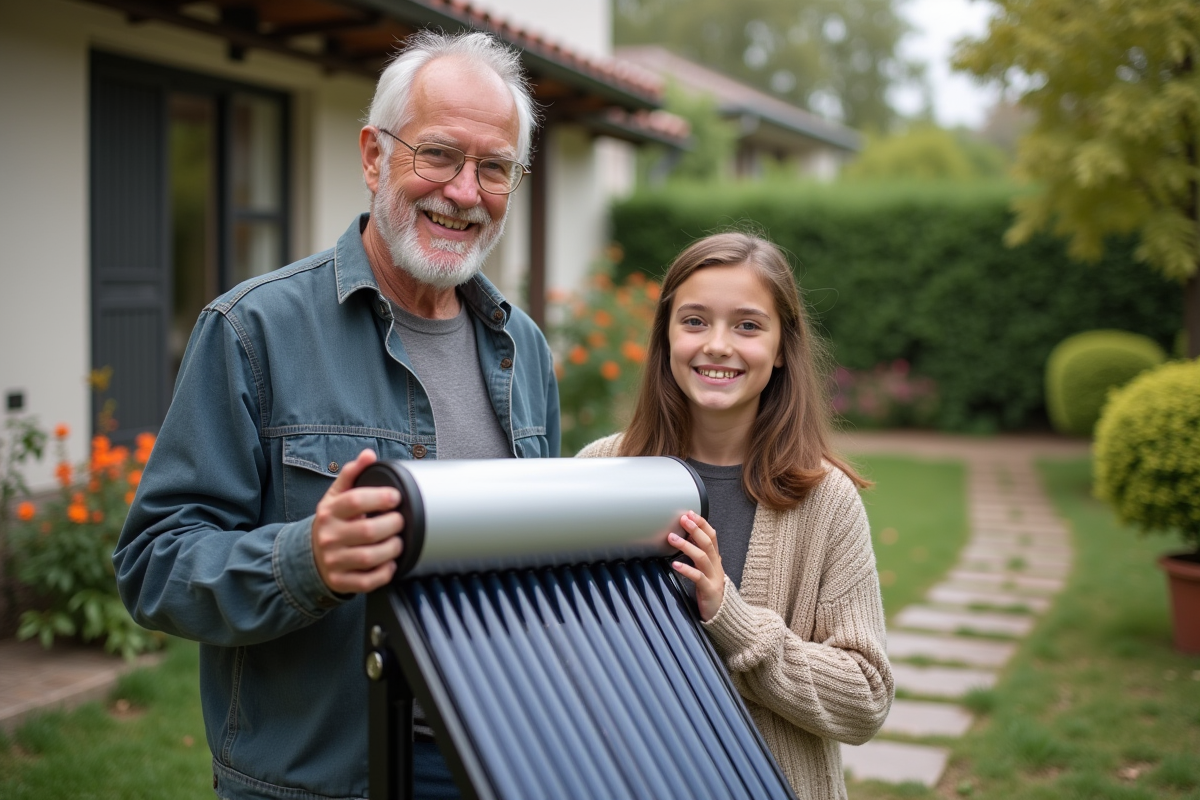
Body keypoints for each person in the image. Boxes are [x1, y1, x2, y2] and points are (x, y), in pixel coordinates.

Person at [113, 31, 559, 800]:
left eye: (494, 168)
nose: (464, 192)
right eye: (439, 155)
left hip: (497, 758)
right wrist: (305, 561)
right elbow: (153, 565)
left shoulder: (524, 348)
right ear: (374, 156)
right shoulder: (252, 330)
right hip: (325, 780)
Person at [576, 232, 893, 800]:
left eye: (747, 325)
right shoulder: (598, 473)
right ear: (666, 336)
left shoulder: (826, 499)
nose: (717, 345)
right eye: (694, 321)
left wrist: (731, 618)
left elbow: (866, 698)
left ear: (781, 348)